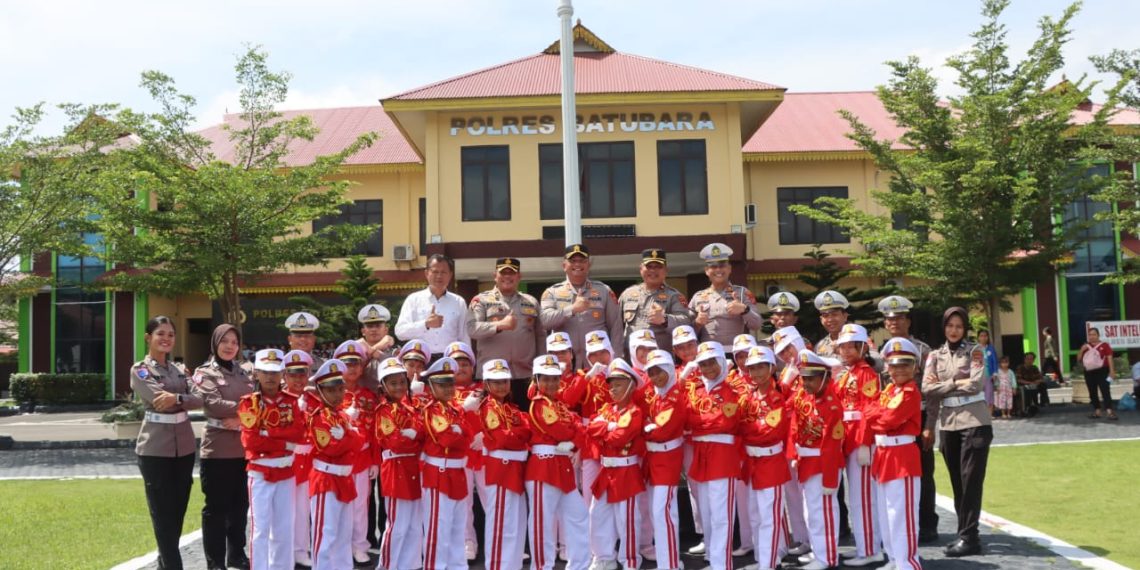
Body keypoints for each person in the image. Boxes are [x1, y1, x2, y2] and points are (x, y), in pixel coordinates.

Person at [133, 316, 202, 570]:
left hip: (183, 447)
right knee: (162, 512)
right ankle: (174, 565)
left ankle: (165, 562)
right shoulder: (141, 369)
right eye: (160, 333)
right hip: (155, 448)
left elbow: (200, 398)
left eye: (171, 334)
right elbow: (155, 397)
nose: (166, 339)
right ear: (148, 337)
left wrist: (176, 398)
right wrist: (184, 398)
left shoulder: (180, 370)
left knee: (178, 509)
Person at [923, 306, 991, 557]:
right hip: (948, 424)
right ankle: (965, 534)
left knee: (971, 482)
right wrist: (954, 383)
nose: (954, 330)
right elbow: (926, 389)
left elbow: (975, 383)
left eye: (959, 326)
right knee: (957, 481)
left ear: (965, 329)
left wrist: (942, 386)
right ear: (944, 327)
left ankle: (970, 537)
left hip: (974, 422)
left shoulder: (975, 350)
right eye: (950, 326)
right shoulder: (934, 355)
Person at [192, 323, 254, 570]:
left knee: (241, 506)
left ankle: (236, 555)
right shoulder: (204, 372)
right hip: (217, 451)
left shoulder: (244, 371)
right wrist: (247, 409)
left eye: (234, 342)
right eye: (225, 341)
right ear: (215, 343)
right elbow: (212, 403)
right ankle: (215, 562)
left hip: (245, 450)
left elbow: (258, 402)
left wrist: (240, 417)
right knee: (216, 509)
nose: (230, 346)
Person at [877, 294, 938, 544]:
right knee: (893, 478)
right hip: (890, 418)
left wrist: (930, 425)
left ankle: (926, 524)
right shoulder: (880, 353)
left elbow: (932, 392)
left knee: (923, 472)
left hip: (917, 415)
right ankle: (898, 529)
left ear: (908, 321)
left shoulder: (924, 350)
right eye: (890, 319)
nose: (894, 323)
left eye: (900, 318)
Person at [239, 349, 305, 570]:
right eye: (265, 372)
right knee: (260, 529)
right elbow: (251, 442)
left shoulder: (291, 401)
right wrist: (284, 442)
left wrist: (268, 433)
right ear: (256, 372)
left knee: (284, 528)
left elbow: (298, 432)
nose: (270, 377)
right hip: (261, 473)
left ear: (282, 374)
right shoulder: (250, 404)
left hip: (286, 471)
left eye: (275, 372)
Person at [526, 354, 591, 570]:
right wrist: (573, 437)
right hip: (543, 467)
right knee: (542, 524)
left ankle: (579, 565)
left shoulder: (560, 405)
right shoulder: (538, 404)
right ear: (536, 380)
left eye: (555, 378)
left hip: (563, 466)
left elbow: (582, 431)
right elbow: (562, 430)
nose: (551, 383)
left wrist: (573, 437)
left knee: (579, 516)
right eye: (545, 378)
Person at [865, 338, 925, 570]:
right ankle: (893, 559)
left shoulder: (910, 392)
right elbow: (870, 412)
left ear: (914, 368)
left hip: (902, 455)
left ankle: (908, 563)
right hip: (884, 453)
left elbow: (888, 419)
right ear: (887, 367)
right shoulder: (890, 390)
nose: (899, 370)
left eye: (905, 365)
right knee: (886, 514)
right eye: (894, 365)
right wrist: (878, 416)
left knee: (902, 515)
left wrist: (877, 416)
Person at [686, 341, 747, 570]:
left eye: (712, 362)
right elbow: (687, 418)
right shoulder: (697, 391)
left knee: (722, 513)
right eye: (703, 364)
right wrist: (705, 422)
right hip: (701, 456)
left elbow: (726, 421)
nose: (708, 368)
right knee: (707, 511)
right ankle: (713, 556)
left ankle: (722, 563)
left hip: (722, 456)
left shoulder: (733, 391)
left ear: (722, 362)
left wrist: (700, 423)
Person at [586, 358, 647, 570]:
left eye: (618, 384)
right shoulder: (607, 409)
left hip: (626, 470)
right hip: (606, 469)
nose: (612, 389)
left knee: (627, 519)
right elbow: (591, 429)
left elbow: (619, 437)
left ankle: (630, 560)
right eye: (611, 385)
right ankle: (604, 557)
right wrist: (609, 427)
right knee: (598, 514)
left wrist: (605, 429)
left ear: (631, 386)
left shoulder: (635, 412)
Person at [471, 359, 532, 570]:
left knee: (516, 523)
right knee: (501, 524)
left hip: (515, 468)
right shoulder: (488, 407)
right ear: (486, 384)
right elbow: (503, 438)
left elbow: (526, 432)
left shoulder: (512, 409)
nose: (501, 386)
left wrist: (517, 434)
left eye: (504, 381)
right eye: (495, 382)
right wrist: (518, 434)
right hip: (500, 468)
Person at [832, 324, 884, 567]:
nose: (846, 349)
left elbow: (869, 410)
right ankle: (864, 546)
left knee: (863, 498)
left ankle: (871, 549)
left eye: (851, 345)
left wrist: (864, 443)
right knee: (856, 498)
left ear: (863, 347)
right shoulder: (848, 373)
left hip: (859, 440)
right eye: (843, 345)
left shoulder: (866, 374)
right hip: (847, 438)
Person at [789, 349, 845, 570]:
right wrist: (795, 454)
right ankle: (818, 551)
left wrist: (830, 480)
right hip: (807, 462)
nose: (806, 382)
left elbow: (832, 445)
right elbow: (795, 423)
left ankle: (827, 558)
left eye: (811, 378)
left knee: (824, 512)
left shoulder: (831, 405)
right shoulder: (806, 398)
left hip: (823, 465)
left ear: (825, 377)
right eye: (804, 378)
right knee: (810, 511)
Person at [307, 359, 365, 570]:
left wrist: (347, 435)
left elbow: (360, 443)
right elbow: (331, 448)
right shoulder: (318, 417)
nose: (337, 394)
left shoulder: (342, 416)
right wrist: (350, 436)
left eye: (340, 389)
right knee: (326, 535)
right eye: (331, 390)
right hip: (326, 479)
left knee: (343, 535)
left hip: (344, 478)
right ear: (320, 390)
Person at [467, 257, 545, 409]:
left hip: (524, 376)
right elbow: (472, 329)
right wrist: (499, 325)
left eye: (512, 273)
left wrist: (540, 370)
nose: (507, 277)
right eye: (503, 273)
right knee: (493, 422)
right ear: (494, 275)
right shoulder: (481, 300)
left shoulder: (531, 302)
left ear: (519, 277)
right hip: (493, 377)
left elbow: (540, 337)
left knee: (526, 422)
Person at [738, 345, 790, 570]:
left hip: (771, 462)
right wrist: (751, 428)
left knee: (769, 515)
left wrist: (750, 428)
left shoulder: (777, 398)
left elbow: (771, 431)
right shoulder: (748, 397)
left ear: (771, 368)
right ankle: (763, 557)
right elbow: (741, 426)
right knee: (755, 514)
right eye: (752, 368)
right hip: (752, 462)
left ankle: (769, 563)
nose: (756, 373)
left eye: (761, 367)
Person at [419, 357, 472, 570]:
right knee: (438, 531)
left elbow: (468, 438)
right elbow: (447, 439)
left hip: (457, 471)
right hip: (439, 473)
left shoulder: (455, 410)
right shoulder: (431, 410)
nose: (449, 389)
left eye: (451, 383)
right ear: (431, 386)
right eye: (443, 384)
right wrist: (459, 433)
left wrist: (459, 432)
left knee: (458, 529)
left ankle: (458, 566)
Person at [374, 357, 425, 570]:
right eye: (393, 383)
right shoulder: (383, 411)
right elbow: (394, 442)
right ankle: (387, 565)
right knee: (397, 525)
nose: (399, 387)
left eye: (402, 382)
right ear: (383, 386)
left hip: (414, 467)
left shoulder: (412, 407)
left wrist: (415, 435)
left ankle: (411, 565)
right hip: (396, 470)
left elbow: (425, 432)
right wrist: (415, 438)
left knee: (414, 525)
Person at [331, 340, 379, 566]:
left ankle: (359, 545)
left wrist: (374, 461)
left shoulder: (369, 396)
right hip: (338, 458)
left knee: (360, 506)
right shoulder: (330, 394)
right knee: (338, 505)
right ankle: (340, 546)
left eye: (356, 363)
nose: (351, 367)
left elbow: (375, 432)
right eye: (346, 363)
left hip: (361, 458)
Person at [540, 243, 624, 365]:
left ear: (588, 265)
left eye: (582, 261)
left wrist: (616, 360)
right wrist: (572, 309)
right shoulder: (552, 292)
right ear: (564, 265)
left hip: (597, 361)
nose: (577, 264)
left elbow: (616, 328)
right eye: (573, 261)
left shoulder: (604, 291)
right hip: (565, 363)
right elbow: (545, 322)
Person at [643, 349, 689, 570]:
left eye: (660, 371)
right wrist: (646, 427)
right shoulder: (656, 396)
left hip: (667, 458)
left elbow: (662, 431)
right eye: (651, 373)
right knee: (658, 513)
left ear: (670, 369)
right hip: (654, 459)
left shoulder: (674, 396)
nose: (656, 376)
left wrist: (642, 429)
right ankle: (667, 561)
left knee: (663, 513)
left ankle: (670, 564)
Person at [395, 254, 471, 361]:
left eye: (443, 272)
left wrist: (467, 361)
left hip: (449, 359)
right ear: (427, 273)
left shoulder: (458, 302)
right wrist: (425, 324)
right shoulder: (413, 299)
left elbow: (464, 336)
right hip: (420, 360)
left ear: (450, 275)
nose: (439, 276)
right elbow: (400, 332)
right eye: (435, 272)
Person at [281, 350, 317, 568]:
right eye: (293, 375)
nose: (298, 379)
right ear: (285, 376)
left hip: (309, 459)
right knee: (284, 510)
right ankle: (284, 550)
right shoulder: (279, 400)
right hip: (287, 458)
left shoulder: (315, 400)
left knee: (304, 510)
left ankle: (301, 550)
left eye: (302, 374)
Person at [618, 248, 691, 353]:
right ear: (641, 269)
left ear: (665, 270)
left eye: (658, 267)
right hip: (631, 359)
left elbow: (686, 322)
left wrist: (664, 319)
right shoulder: (627, 294)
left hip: (660, 359)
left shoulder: (674, 296)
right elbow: (616, 326)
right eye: (649, 266)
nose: (653, 270)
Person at [689, 242, 762, 346]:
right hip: (709, 354)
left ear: (729, 269)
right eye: (713, 266)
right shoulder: (698, 297)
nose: (718, 270)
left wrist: (744, 310)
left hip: (737, 353)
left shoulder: (742, 293)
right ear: (706, 271)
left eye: (722, 265)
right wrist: (697, 323)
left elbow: (757, 325)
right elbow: (687, 332)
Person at [1078, 327, 1119, 420]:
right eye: (1090, 335)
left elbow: (1109, 358)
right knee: (1092, 392)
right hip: (1089, 372)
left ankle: (1109, 411)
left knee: (1105, 391)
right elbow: (1079, 359)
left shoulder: (1104, 345)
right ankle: (1097, 411)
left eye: (1094, 334)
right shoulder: (1085, 346)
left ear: (1098, 335)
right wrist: (1081, 350)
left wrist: (1112, 371)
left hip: (1102, 371)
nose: (1091, 337)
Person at [358, 303, 396, 395]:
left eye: (378, 326)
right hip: (363, 401)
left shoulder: (394, 353)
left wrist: (373, 351)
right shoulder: (357, 351)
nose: (374, 329)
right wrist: (376, 348)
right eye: (370, 326)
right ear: (363, 331)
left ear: (386, 330)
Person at [812, 291, 850, 359]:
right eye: (825, 316)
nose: (830, 319)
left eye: (834, 314)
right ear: (821, 320)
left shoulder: (858, 341)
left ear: (845, 316)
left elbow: (874, 362)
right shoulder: (819, 346)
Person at [977, 330, 998, 413]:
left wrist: (995, 373)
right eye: (981, 335)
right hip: (978, 376)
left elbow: (995, 362)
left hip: (989, 376)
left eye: (985, 335)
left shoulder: (991, 348)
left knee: (989, 395)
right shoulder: (975, 348)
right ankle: (981, 415)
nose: (983, 337)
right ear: (978, 337)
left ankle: (989, 415)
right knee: (978, 396)